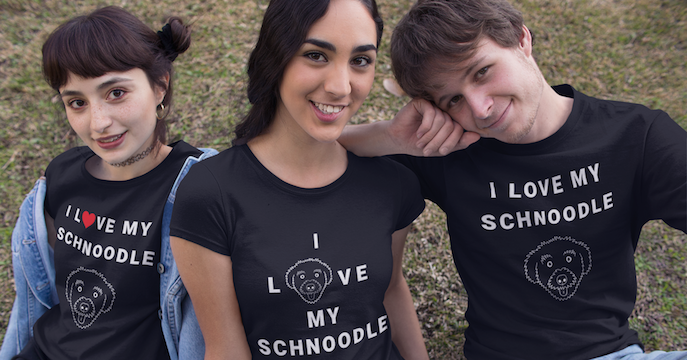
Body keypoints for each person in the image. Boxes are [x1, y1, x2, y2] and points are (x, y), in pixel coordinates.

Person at [338, 0, 687, 359]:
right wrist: (390, 137)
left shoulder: (636, 136)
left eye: (482, 72)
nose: (479, 108)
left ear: (522, 40)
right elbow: (299, 154)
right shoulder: (449, 155)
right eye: (454, 99)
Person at [169, 0, 429, 359]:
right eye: (316, 55)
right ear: (276, 56)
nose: (341, 87)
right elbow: (226, 346)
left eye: (360, 61)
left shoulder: (392, 182)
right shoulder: (210, 192)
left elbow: (392, 290)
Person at [0, 6, 217, 360]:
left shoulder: (198, 182)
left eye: (116, 93)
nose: (98, 123)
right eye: (77, 102)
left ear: (160, 85)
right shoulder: (61, 176)